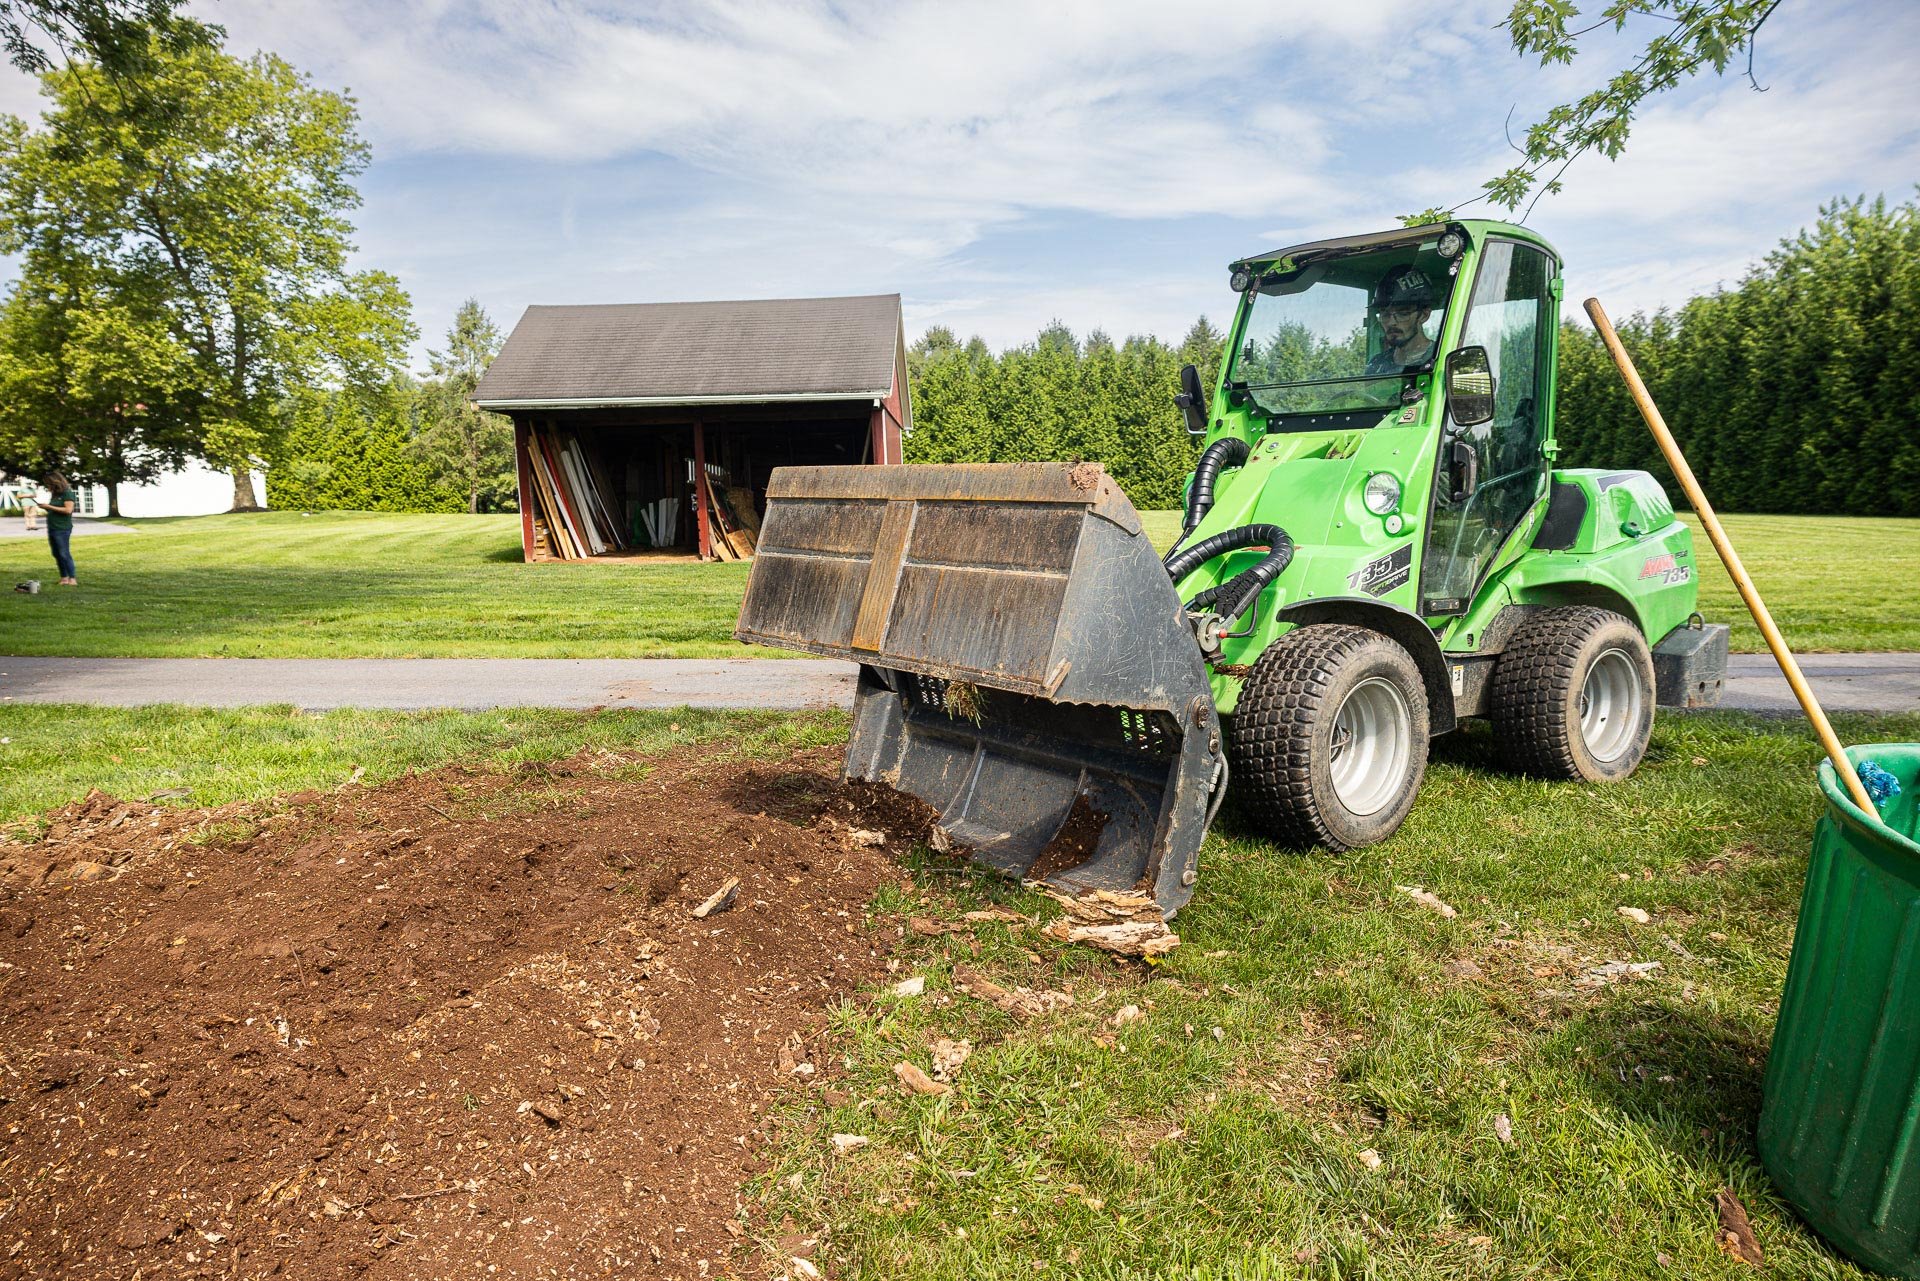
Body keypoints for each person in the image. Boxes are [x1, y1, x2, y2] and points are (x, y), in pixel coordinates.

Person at [1365, 265, 1438, 374]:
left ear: (1424, 315)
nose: (1391, 322)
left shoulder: (1440, 359)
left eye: (1403, 314)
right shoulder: (1376, 366)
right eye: (1385, 314)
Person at [36, 471, 78, 586]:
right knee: (56, 553)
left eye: (48, 484)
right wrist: (45, 508)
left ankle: (72, 578)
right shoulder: (55, 494)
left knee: (64, 553)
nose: (47, 486)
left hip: (62, 528)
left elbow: (68, 510)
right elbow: (55, 509)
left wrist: (48, 506)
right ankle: (64, 578)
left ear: (55, 482)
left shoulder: (67, 493)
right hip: (52, 527)